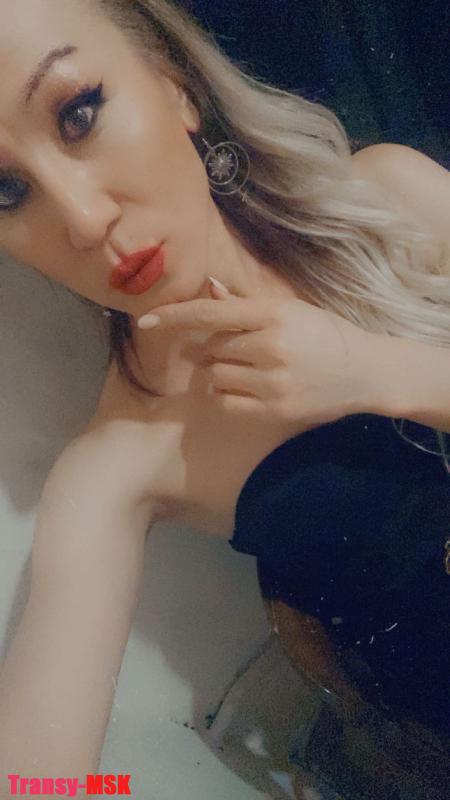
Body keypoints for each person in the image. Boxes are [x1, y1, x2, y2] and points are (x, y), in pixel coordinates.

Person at [0, 0, 448, 796]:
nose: (84, 219)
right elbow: (36, 784)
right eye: (6, 190)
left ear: (174, 83)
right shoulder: (119, 464)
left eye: (79, 114)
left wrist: (375, 370)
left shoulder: (392, 202)